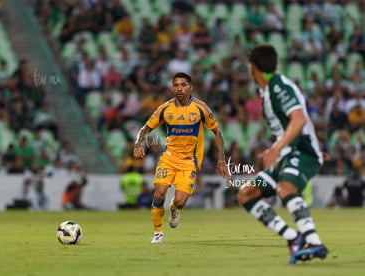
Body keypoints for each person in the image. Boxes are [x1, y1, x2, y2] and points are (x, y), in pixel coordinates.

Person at [237, 44, 328, 264]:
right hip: (286, 154)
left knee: (285, 188)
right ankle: (293, 237)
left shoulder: (278, 86)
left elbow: (298, 119)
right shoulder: (266, 90)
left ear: (253, 67)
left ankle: (314, 242)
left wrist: (276, 148)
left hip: (300, 150)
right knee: (246, 194)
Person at [134, 72, 229, 244]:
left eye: (183, 85)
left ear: (191, 87)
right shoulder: (165, 109)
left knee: (180, 200)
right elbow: (145, 128)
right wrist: (138, 144)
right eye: (176, 85)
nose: (179, 88)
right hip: (168, 158)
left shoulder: (201, 108)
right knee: (159, 193)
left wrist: (221, 159)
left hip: (189, 162)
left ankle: (174, 208)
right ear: (172, 88)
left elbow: (217, 132)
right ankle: (158, 234)